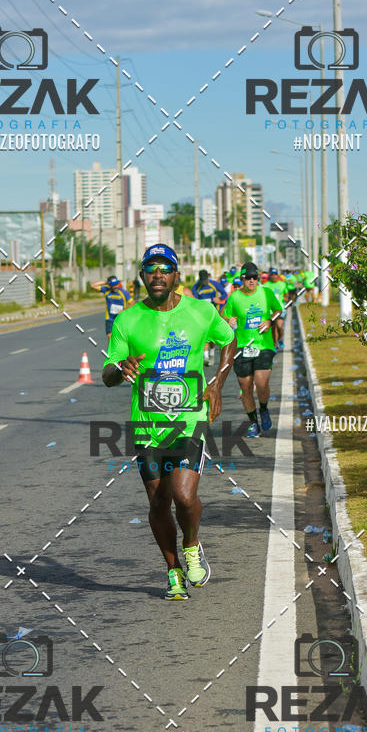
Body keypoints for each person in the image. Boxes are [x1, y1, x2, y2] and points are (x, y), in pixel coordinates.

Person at [102, 244, 236, 601]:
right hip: (147, 425)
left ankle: (191, 545)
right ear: (142, 276)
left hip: (190, 420)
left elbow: (229, 339)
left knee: (182, 494)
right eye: (150, 268)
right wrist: (121, 368)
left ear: (177, 275)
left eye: (165, 268)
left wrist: (218, 384)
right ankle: (173, 571)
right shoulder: (127, 320)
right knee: (158, 504)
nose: (157, 274)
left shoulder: (201, 311)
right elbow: (107, 373)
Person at [222, 262, 283, 438]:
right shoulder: (235, 298)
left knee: (261, 382)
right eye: (248, 278)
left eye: (254, 277)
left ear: (258, 278)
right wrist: (229, 321)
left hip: (263, 346)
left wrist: (270, 320)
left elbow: (278, 310)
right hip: (242, 347)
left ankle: (263, 409)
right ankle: (253, 422)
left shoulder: (266, 293)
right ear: (242, 279)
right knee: (246, 387)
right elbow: (224, 315)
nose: (251, 281)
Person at [191, 269, 226, 366]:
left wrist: (219, 299)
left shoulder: (214, 284)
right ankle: (205, 356)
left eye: (205, 281)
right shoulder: (196, 287)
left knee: (212, 335)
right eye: (202, 281)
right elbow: (194, 300)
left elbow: (224, 294)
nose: (204, 283)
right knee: (204, 334)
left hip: (215, 312)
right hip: (202, 315)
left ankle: (212, 352)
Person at [91, 274, 133, 340]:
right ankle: (111, 350)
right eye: (113, 285)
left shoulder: (124, 292)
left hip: (121, 319)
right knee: (110, 337)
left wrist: (124, 310)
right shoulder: (106, 290)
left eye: (116, 284)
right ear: (110, 285)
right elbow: (92, 285)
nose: (115, 286)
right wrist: (105, 282)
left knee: (122, 338)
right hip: (110, 318)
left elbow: (132, 303)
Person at [264, 269, 290, 349]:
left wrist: (286, 299)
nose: (274, 276)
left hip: (280, 309)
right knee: (272, 329)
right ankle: (274, 344)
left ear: (277, 275)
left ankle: (280, 339)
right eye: (272, 274)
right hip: (270, 310)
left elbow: (286, 294)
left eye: (275, 274)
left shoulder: (282, 284)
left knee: (279, 326)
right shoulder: (266, 285)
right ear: (270, 276)